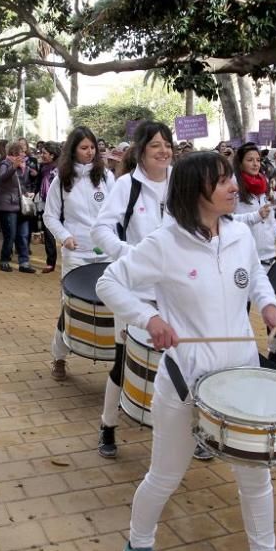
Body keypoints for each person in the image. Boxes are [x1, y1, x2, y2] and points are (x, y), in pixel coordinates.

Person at [96, 151, 276, 551]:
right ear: (196, 193)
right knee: (166, 476)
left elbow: (255, 280)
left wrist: (268, 304)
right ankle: (139, 545)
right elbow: (108, 283)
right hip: (184, 382)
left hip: (240, 378)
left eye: (232, 178)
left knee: (256, 477)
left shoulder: (239, 235)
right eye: (223, 181)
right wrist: (148, 318)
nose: (235, 186)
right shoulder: (163, 243)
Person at [90, 121, 180, 458]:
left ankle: (185, 431)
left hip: (175, 292)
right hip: (133, 291)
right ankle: (108, 424)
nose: (163, 151)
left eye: (167, 144)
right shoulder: (126, 185)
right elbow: (100, 231)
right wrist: (131, 255)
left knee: (180, 361)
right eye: (156, 145)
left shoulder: (181, 184)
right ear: (140, 150)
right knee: (124, 359)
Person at [43, 127, 115, 375]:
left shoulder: (106, 176)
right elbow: (50, 216)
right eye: (84, 148)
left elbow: (116, 212)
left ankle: (115, 357)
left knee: (111, 305)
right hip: (76, 253)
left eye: (93, 147)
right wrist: (65, 237)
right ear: (73, 150)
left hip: (106, 253)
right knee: (71, 306)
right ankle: (59, 357)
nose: (90, 152)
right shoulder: (61, 179)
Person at [233, 142, 276, 370]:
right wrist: (254, 216)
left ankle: (274, 352)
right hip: (243, 263)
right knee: (241, 313)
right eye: (250, 159)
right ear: (240, 162)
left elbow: (272, 225)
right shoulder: (234, 190)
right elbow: (227, 221)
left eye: (257, 160)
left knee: (273, 311)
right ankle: (240, 356)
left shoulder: (262, 190)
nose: (255, 164)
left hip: (269, 261)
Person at [0, 142, 37, 273]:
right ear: (14, 153)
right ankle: (5, 260)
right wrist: (13, 166)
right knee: (10, 234)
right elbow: (2, 178)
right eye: (21, 152)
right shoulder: (5, 164)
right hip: (9, 205)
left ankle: (24, 262)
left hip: (22, 204)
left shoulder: (24, 166)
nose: (24, 154)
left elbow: (24, 184)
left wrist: (28, 192)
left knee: (24, 234)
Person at [36, 141, 62, 273]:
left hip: (63, 203)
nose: (42, 155)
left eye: (44, 153)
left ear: (52, 155)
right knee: (48, 232)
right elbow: (39, 183)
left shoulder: (62, 167)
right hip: (47, 203)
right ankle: (50, 262)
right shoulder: (43, 167)